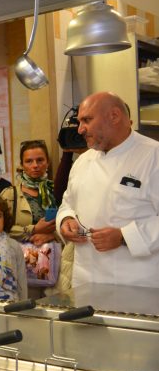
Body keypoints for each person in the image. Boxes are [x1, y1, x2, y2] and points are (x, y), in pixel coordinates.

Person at [58, 91, 159, 288]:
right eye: (79, 122)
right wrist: (66, 220)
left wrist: (124, 237)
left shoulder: (153, 156)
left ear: (114, 116)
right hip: (85, 279)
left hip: (137, 283)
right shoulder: (83, 161)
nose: (80, 129)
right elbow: (67, 203)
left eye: (87, 120)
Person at [9, 140, 57, 245]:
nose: (35, 165)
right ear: (22, 165)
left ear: (47, 162)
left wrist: (52, 236)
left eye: (40, 160)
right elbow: (1, 229)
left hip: (55, 252)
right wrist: (34, 229)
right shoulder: (10, 194)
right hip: (22, 253)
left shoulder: (56, 190)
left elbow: (70, 222)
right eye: (29, 161)